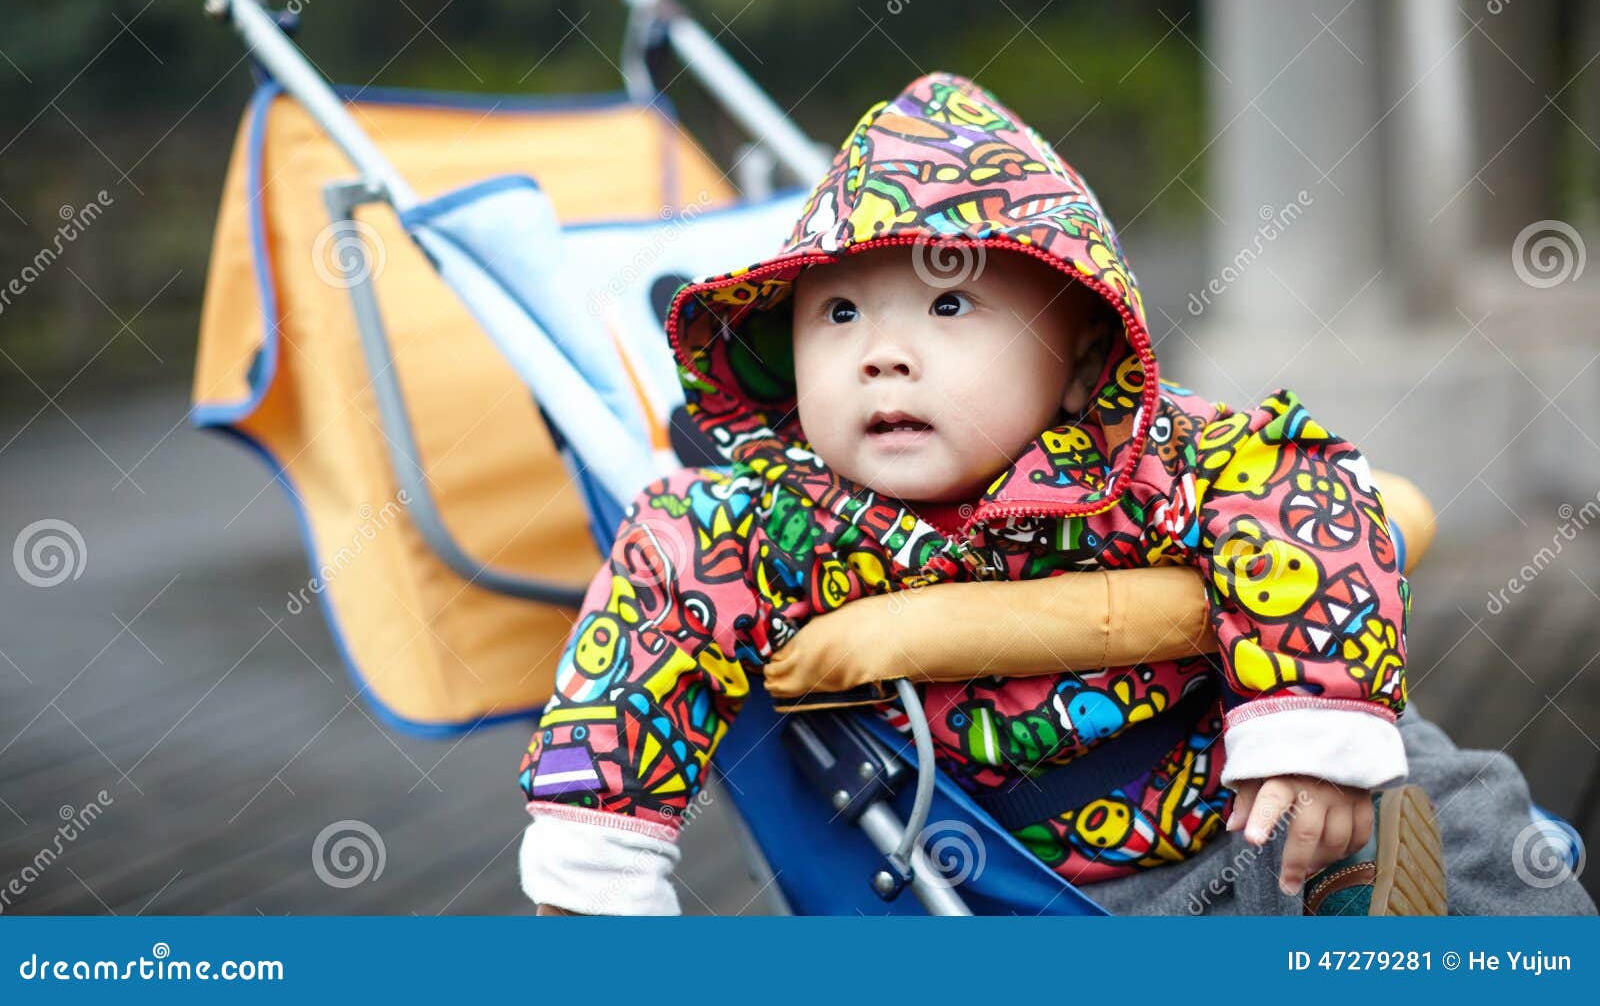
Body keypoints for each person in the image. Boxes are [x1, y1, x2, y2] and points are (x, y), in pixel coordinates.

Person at [516, 71, 1593, 916]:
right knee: (1283, 881)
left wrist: (1311, 718)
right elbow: (652, 598)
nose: (880, 355)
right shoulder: (775, 516)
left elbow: (1295, 480)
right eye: (837, 314)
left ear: (1079, 363)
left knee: (1456, 798)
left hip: (1249, 763)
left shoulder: (1144, 452)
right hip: (1078, 874)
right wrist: (595, 854)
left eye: (948, 305)